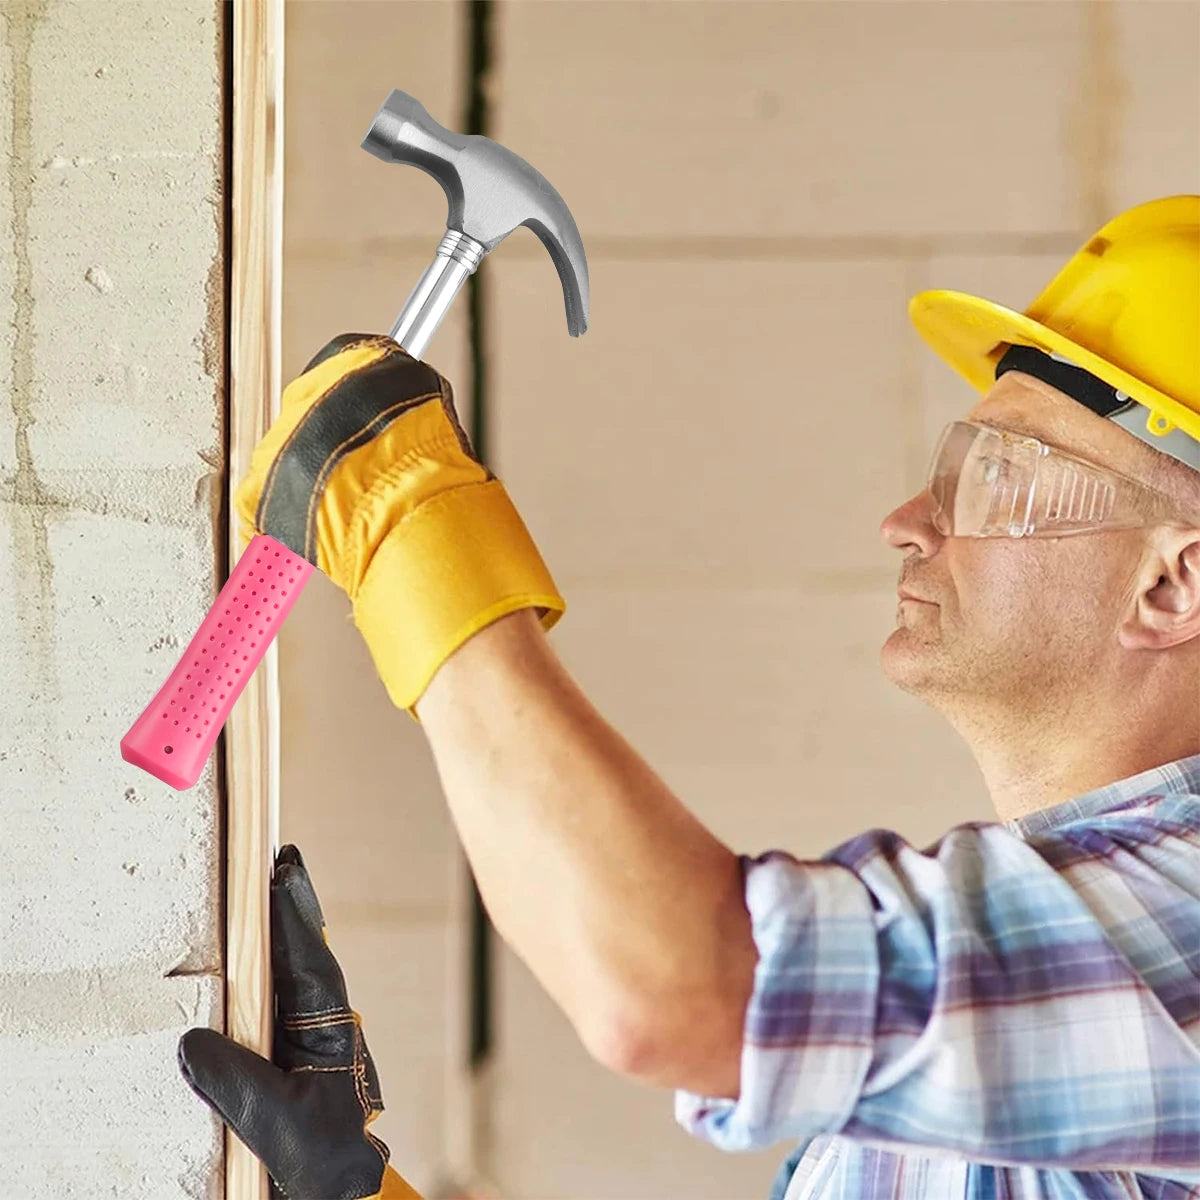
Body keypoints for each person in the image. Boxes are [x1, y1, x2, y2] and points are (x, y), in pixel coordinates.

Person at [178, 195, 1200, 1199]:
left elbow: (681, 992)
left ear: (1174, 582)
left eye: (995, 476)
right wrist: (356, 1192)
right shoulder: (988, 1018)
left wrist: (412, 525)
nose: (907, 522)